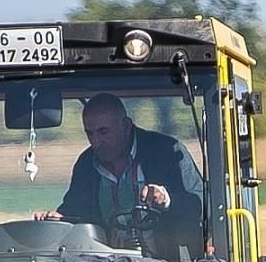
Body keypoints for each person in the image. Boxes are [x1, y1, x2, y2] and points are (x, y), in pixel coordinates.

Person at [44, 95, 206, 252]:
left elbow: (204, 207)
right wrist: (57, 219)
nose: (96, 142)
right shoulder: (86, 164)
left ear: (126, 126)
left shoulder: (168, 152)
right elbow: (74, 212)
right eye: (90, 134)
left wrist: (167, 200)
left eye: (104, 132)